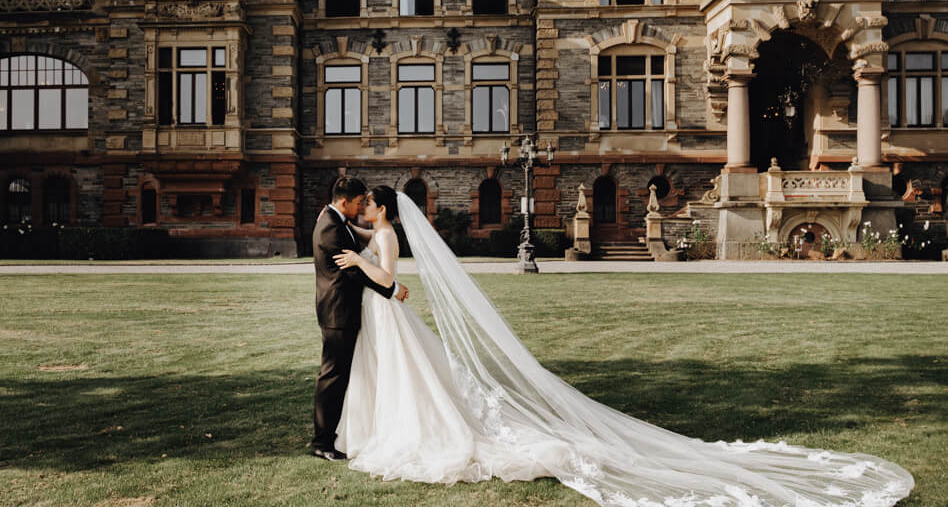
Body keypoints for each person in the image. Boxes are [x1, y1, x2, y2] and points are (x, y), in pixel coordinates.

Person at [324, 186, 914, 506]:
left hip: (387, 310)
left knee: (413, 380)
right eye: (367, 204)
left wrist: (371, 271)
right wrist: (369, 269)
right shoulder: (368, 229)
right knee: (405, 378)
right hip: (384, 316)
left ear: (379, 208)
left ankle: (409, 435)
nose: (366, 208)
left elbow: (388, 277)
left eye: (370, 204)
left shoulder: (385, 234)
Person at [310, 176, 406, 461]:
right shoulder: (331, 227)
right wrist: (392, 288)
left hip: (346, 309)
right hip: (338, 311)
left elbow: (362, 246)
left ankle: (338, 433)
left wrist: (386, 284)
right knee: (333, 375)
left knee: (346, 373)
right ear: (343, 202)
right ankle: (323, 442)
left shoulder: (336, 220)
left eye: (367, 202)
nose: (362, 206)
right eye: (358, 202)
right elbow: (353, 271)